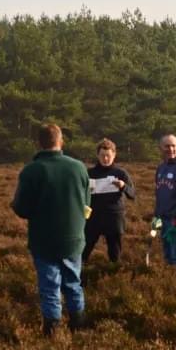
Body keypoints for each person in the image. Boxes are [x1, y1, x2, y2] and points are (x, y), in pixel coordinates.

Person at [11, 124, 91, 336]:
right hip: (74, 239)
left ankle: (52, 332)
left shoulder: (31, 170)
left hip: (43, 240)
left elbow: (21, 208)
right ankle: (78, 326)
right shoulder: (79, 168)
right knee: (73, 282)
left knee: (49, 287)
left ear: (39, 143)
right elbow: (87, 204)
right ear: (61, 141)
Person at [82, 139, 135, 264]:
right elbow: (79, 194)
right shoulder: (89, 173)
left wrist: (123, 186)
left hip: (114, 217)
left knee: (114, 253)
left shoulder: (121, 173)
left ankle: (113, 272)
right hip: (93, 217)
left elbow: (132, 194)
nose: (105, 159)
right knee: (84, 250)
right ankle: (79, 272)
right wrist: (86, 190)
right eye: (102, 155)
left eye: (108, 156)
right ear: (97, 155)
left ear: (114, 155)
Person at [154, 134, 176, 268]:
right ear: (161, 148)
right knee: (168, 255)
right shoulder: (161, 168)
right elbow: (159, 193)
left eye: (173, 145)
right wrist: (156, 216)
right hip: (163, 219)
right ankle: (170, 277)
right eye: (167, 146)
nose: (170, 149)